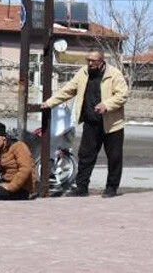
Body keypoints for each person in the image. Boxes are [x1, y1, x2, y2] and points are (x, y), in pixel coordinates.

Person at [42, 50, 129, 198]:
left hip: (112, 124)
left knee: (114, 157)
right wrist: (49, 103)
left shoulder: (114, 74)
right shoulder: (83, 73)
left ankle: (111, 188)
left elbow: (122, 95)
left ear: (101, 61)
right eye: (88, 60)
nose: (90, 63)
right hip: (91, 122)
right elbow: (68, 90)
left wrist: (106, 105)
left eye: (93, 61)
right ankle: (81, 187)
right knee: (85, 156)